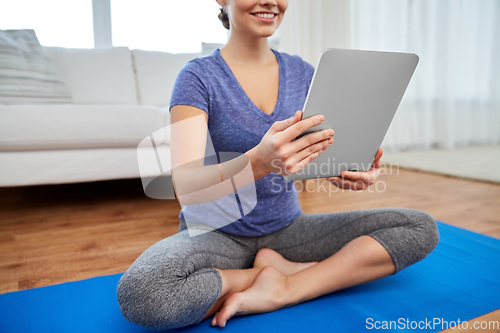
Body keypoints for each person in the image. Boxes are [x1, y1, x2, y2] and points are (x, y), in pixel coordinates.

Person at [116, 0, 439, 330]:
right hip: (216, 236)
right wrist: (258, 162)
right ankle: (262, 275)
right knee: (142, 294)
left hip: (289, 231)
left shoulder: (303, 74)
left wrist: (344, 171)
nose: (271, 1)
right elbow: (184, 185)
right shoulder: (197, 77)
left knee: (420, 227)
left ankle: (287, 287)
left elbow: (316, 156)